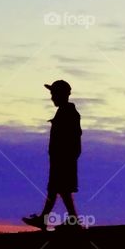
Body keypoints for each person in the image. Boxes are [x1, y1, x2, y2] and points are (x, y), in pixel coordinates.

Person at [23, 80, 83, 230]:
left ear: (62, 95)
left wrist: (65, 157)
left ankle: (68, 220)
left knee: (60, 188)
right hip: (60, 158)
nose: (52, 98)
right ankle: (64, 220)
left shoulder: (68, 113)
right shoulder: (64, 111)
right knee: (58, 188)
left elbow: (73, 138)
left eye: (54, 94)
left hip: (63, 159)